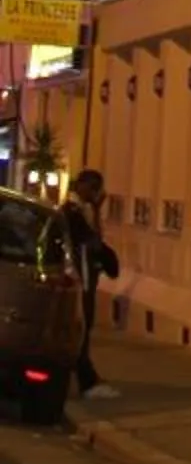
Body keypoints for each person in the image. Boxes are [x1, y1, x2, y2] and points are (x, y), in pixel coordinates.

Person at [57, 169, 120, 401]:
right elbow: (92, 243)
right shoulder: (73, 212)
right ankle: (87, 381)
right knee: (81, 330)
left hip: (83, 279)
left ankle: (86, 377)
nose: (95, 193)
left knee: (82, 330)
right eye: (93, 188)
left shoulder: (78, 210)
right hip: (81, 280)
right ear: (82, 186)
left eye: (97, 188)